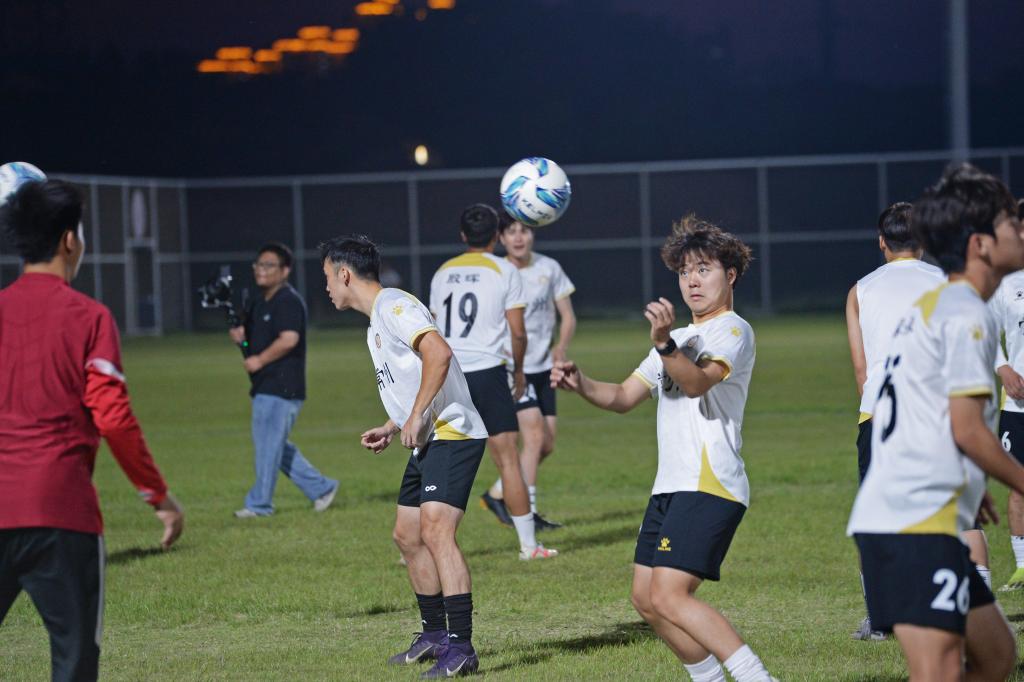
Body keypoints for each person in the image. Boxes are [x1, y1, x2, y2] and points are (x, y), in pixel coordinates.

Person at [553, 216, 775, 682]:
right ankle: (709, 678)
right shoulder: (680, 340)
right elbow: (622, 396)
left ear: (730, 275)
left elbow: (696, 383)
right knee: (646, 598)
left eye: (704, 269)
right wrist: (580, 383)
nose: (692, 281)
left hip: (710, 483)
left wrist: (664, 344)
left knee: (671, 595)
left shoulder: (732, 331)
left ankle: (756, 677)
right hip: (671, 485)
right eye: (684, 271)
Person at [0, 179, 184, 682]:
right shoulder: (89, 317)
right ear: (68, 240)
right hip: (61, 512)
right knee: (74, 661)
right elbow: (114, 418)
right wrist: (159, 496)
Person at [847, 163, 1024, 681]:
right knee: (939, 670)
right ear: (981, 244)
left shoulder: (942, 305)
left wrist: (962, 478)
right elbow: (968, 429)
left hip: (917, 509)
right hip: (913, 521)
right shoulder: (964, 312)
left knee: (996, 656)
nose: (1020, 229)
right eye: (1010, 223)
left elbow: (911, 406)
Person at [320, 235, 487, 678]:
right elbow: (416, 377)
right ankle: (435, 635)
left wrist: (414, 417)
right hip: (429, 436)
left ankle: (462, 647)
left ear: (344, 274)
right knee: (407, 535)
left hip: (454, 432)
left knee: (436, 530)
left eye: (327, 277)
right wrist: (395, 423)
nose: (327, 288)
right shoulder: (377, 321)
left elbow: (439, 353)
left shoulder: (394, 306)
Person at [429, 204, 557, 560]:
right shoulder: (504, 270)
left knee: (438, 458)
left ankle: (422, 540)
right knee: (507, 460)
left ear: (462, 235)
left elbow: (432, 329)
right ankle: (528, 546)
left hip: (449, 373)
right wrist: (519, 372)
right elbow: (518, 332)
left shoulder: (443, 272)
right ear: (497, 237)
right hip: (488, 372)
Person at [844, 202, 945, 640]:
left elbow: (862, 369)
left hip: (879, 414)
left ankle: (880, 619)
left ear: (882, 242)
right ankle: (950, 608)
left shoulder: (861, 290)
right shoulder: (945, 281)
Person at [481, 215, 576, 531]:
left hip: (544, 367)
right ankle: (529, 515)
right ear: (501, 238)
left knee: (546, 445)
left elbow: (568, 316)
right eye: (511, 232)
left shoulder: (548, 267)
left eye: (524, 230)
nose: (519, 237)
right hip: (512, 367)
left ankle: (497, 493)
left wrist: (560, 346)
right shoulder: (496, 272)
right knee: (534, 436)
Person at [230, 242, 338, 518]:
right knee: (272, 444)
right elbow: (250, 341)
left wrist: (259, 360)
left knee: (269, 446)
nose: (262, 270)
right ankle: (321, 488)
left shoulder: (288, 301)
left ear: (285, 270)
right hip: (263, 385)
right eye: (259, 264)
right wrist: (241, 339)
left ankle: (259, 505)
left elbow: (289, 339)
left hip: (283, 386)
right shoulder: (258, 301)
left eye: (269, 265)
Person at [987, 199, 1024, 592]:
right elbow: (984, 332)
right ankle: (1022, 567)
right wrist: (1004, 369)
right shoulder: (1005, 285)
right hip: (1017, 403)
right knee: (1018, 482)